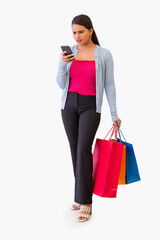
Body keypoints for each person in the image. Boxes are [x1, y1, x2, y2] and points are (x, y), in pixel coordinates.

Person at [56, 14, 122, 222]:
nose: (77, 36)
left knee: (84, 149)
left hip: (90, 106)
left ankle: (86, 202)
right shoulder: (70, 53)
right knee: (75, 150)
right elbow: (60, 83)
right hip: (69, 105)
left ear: (91, 31)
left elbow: (109, 84)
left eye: (81, 32)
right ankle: (80, 194)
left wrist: (114, 113)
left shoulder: (104, 54)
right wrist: (62, 64)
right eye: (74, 32)